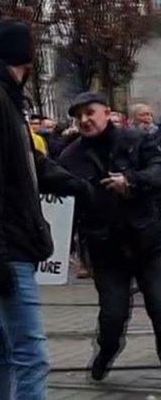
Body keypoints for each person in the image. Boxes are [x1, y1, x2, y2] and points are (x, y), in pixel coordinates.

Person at [0, 20, 91, 400]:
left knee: (3, 350)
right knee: (32, 355)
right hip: (8, 246)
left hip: (6, 245)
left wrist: (78, 186)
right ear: (26, 58)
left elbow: (27, 163)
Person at [57, 93, 161, 381]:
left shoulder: (136, 140)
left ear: (107, 112)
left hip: (148, 243)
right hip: (106, 249)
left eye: (90, 112)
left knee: (159, 305)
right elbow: (63, 204)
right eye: (78, 116)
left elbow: (157, 171)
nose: (84, 120)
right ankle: (106, 351)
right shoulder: (70, 156)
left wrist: (130, 182)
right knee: (113, 314)